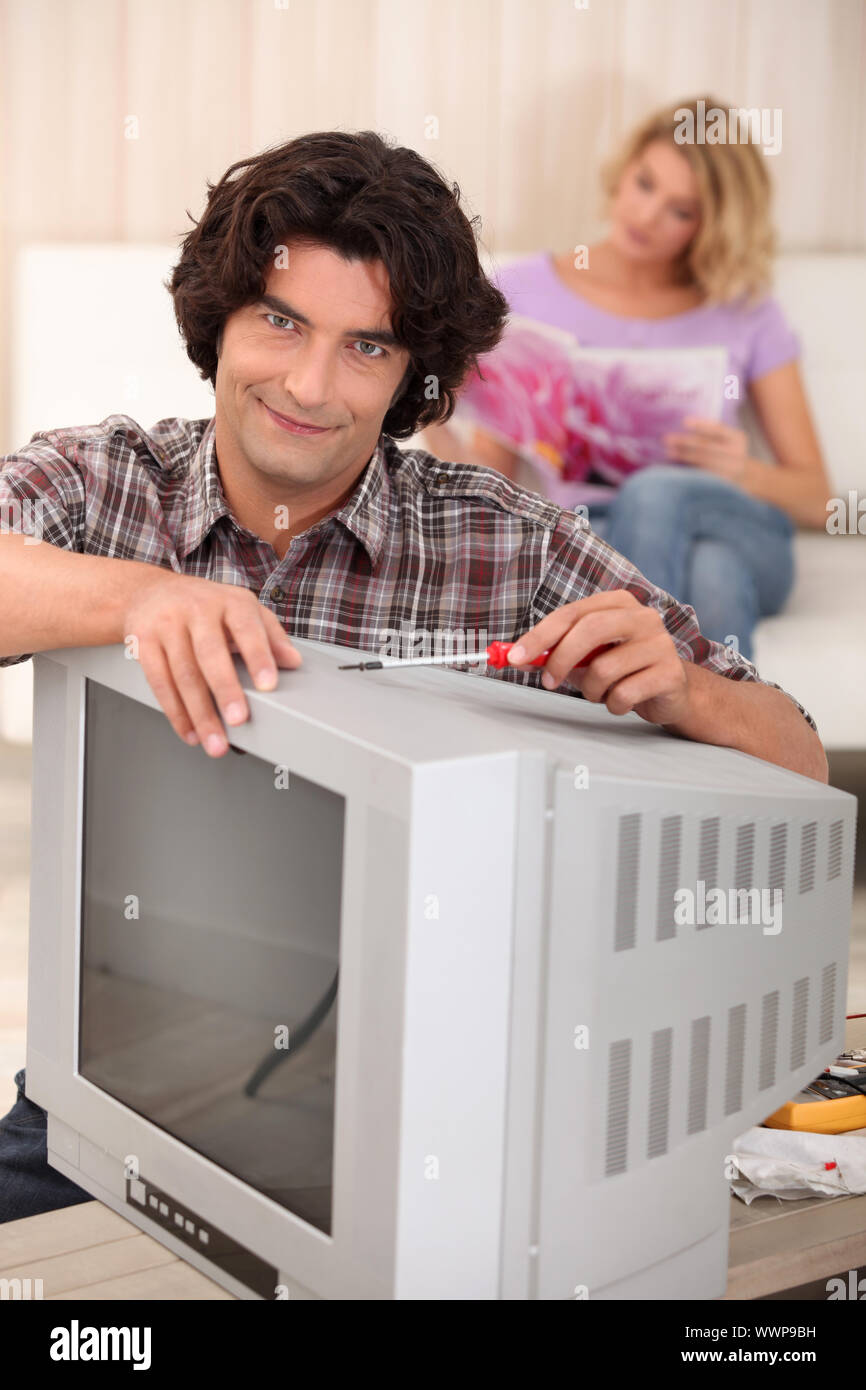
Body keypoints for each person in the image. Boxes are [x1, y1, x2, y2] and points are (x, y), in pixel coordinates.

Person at [0, 129, 826, 1223]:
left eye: (366, 347)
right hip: (112, 1084)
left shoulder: (510, 543)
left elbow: (802, 760)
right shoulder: (105, 483)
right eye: (280, 322)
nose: (307, 384)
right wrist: (135, 597)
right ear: (219, 322)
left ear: (412, 377)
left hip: (427, 1118)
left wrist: (690, 691)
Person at [422, 96, 834, 661]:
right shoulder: (526, 292)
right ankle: (722, 737)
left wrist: (743, 470)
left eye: (681, 210)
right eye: (645, 185)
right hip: (605, 532)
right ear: (623, 172)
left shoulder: (743, 308)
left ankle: (625, 713)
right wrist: (440, 414)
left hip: (738, 522)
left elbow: (817, 498)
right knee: (711, 576)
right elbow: (497, 485)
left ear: (711, 225)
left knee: (658, 491)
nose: (646, 217)